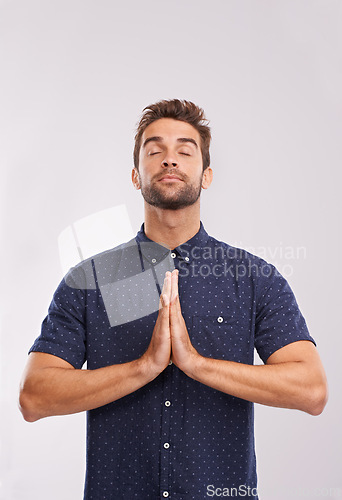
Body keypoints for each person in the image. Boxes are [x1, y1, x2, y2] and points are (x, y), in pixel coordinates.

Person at [19, 99, 328, 500]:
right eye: (155, 151)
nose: (170, 161)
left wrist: (196, 364)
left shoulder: (254, 278)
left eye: (185, 151)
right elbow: (34, 397)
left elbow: (312, 390)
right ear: (135, 175)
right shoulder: (91, 280)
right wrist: (144, 367)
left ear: (207, 175)